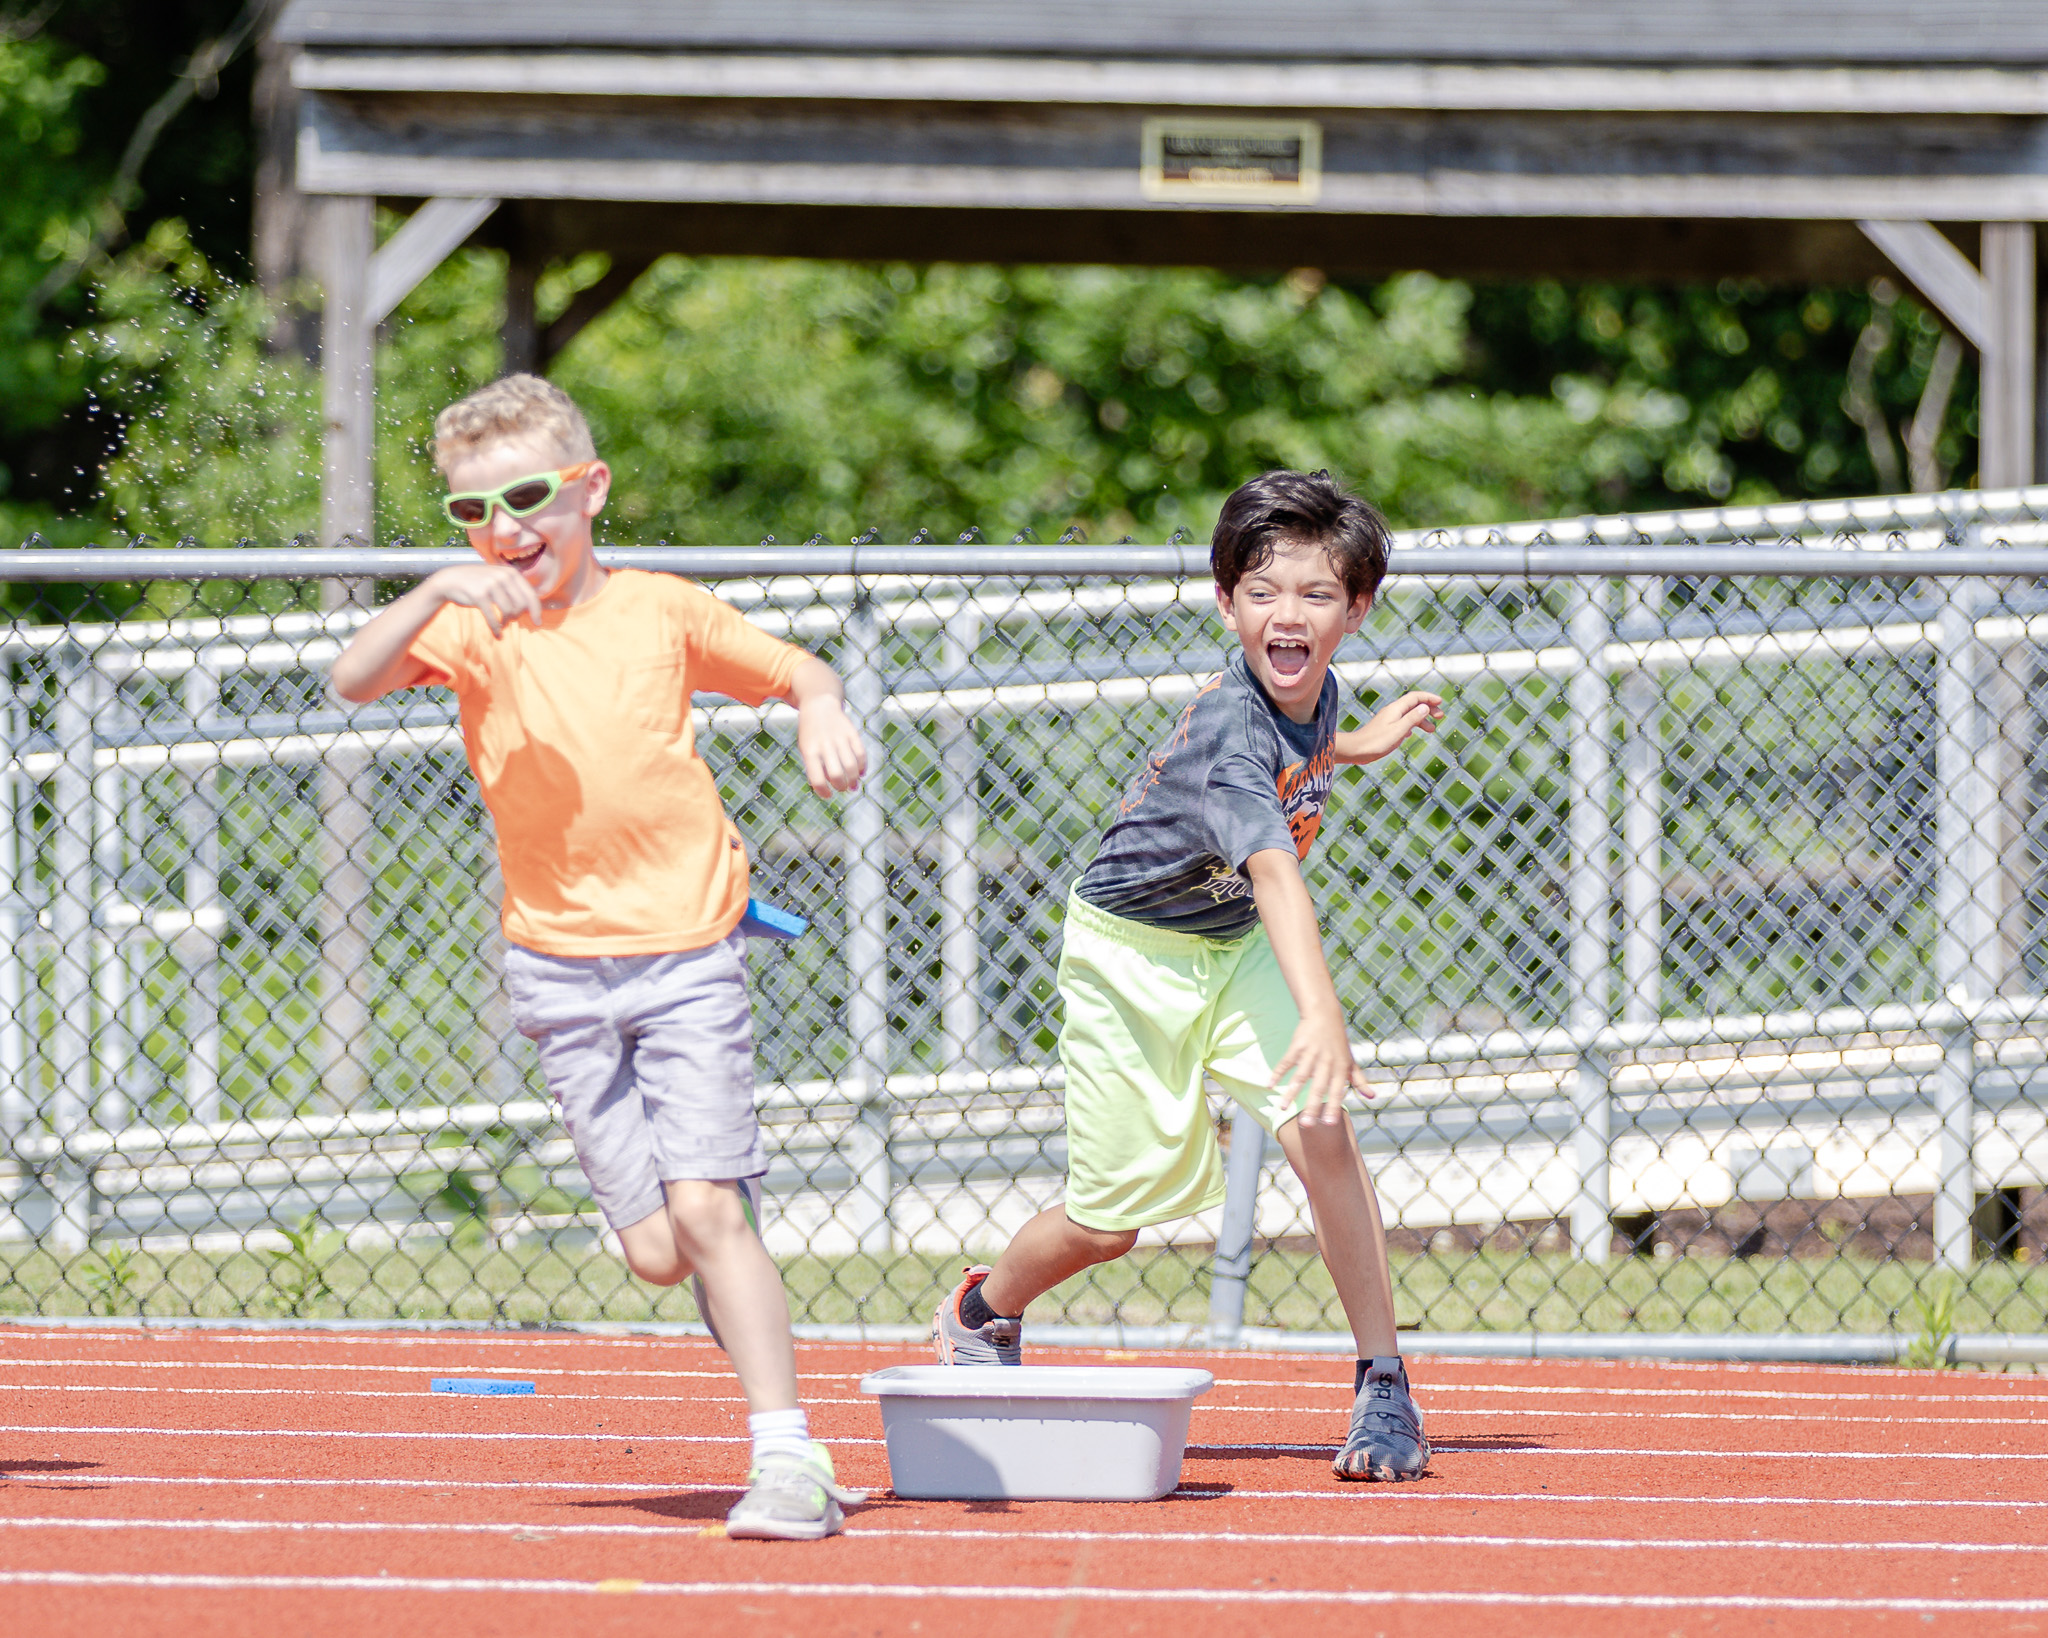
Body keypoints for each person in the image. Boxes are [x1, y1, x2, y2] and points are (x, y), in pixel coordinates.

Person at [331, 374, 870, 1539]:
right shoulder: (469, 622)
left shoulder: (662, 611)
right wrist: (434, 586)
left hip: (684, 953)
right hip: (556, 973)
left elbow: (799, 671)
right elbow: (352, 678)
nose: (505, 529)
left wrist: (821, 712)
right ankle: (730, 1251)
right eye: (472, 512)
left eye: (529, 497)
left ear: (591, 488)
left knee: (708, 1210)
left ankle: (790, 1461)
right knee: (654, 1252)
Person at [932, 468, 1445, 1482]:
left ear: (1356, 608)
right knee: (1112, 1221)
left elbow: (1294, 762)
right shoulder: (1226, 734)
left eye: (1313, 595)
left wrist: (1351, 747)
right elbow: (1276, 874)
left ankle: (1383, 1384)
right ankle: (981, 1309)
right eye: (1260, 593)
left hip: (1232, 947)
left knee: (1322, 1133)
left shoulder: (1314, 685)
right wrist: (1323, 1015)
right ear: (1224, 603)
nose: (1285, 616)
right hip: (1132, 960)